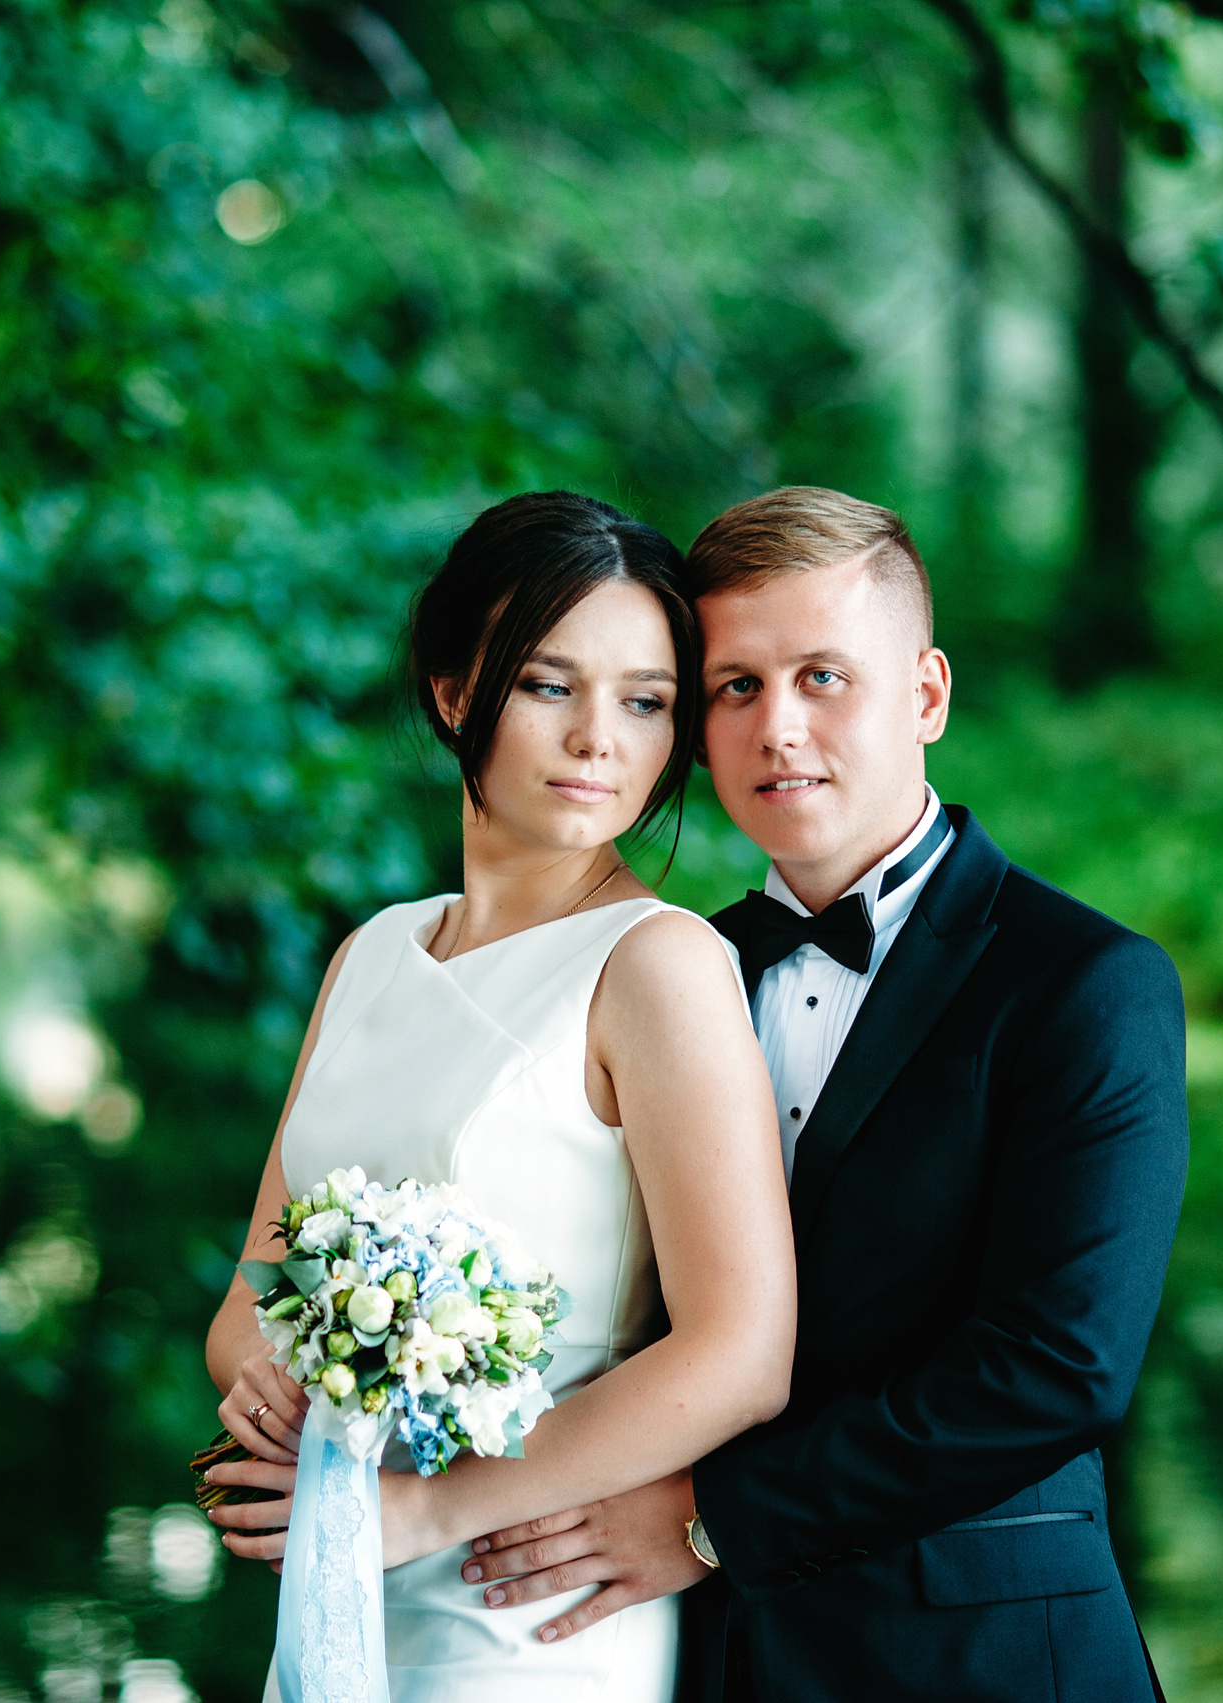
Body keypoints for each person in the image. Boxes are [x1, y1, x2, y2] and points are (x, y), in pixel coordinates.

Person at [460, 487, 1189, 1701]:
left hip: (981, 1655)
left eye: (822, 676)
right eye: (734, 686)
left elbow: (1056, 1365)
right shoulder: (658, 971)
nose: (776, 727)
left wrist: (708, 1518)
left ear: (926, 694)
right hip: (699, 1659)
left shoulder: (1083, 983)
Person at [200, 491, 796, 1703]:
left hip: (525, 1612)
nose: (598, 740)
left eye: (645, 701)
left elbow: (742, 1353)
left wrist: (428, 1509)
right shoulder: (374, 951)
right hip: (343, 1573)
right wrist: (271, 1385)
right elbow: (252, 1294)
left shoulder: (659, 964)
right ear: (453, 685)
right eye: (547, 684)